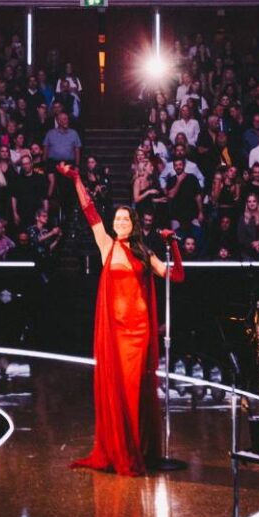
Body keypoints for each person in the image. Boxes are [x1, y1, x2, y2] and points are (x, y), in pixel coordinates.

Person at [63, 162, 182, 476]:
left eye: (125, 218)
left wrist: (172, 245)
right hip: (115, 333)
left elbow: (175, 276)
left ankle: (138, 448)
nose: (120, 221)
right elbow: (89, 209)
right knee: (118, 391)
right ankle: (121, 449)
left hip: (139, 331)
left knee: (135, 392)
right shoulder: (106, 244)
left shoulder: (143, 251)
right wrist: (76, 179)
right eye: (117, 217)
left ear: (134, 224)